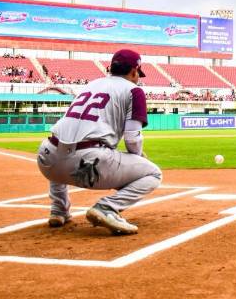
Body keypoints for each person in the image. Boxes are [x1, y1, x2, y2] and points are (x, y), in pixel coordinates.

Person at [36, 49, 162, 235]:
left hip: (47, 159)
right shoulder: (134, 91)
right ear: (134, 71)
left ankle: (59, 210)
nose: (138, 78)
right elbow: (132, 138)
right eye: (138, 74)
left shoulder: (91, 84)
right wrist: (138, 161)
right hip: (87, 164)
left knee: (62, 146)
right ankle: (107, 207)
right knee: (153, 173)